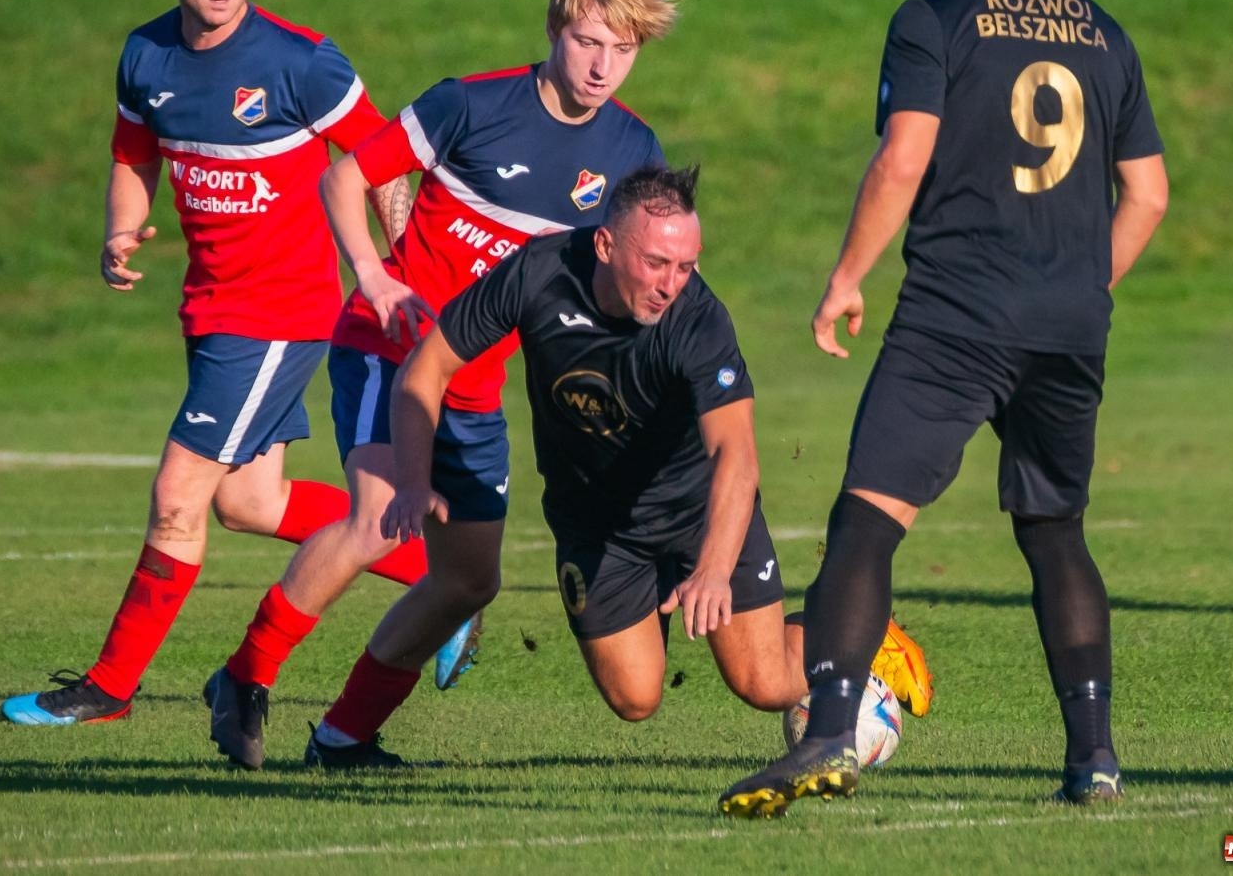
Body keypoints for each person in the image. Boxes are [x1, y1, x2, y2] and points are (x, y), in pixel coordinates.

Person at [718, 0, 1169, 818]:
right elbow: (1149, 194)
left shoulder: (932, 18)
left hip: (957, 315)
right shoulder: (1106, 34)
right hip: (1068, 325)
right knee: (1054, 532)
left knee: (866, 521)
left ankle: (829, 731)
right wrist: (1080, 284)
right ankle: (1094, 757)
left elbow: (903, 156)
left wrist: (846, 276)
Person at [201, 0, 680, 771]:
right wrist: (372, 274)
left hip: (475, 383)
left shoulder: (633, 150)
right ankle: (245, 676)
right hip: (389, 347)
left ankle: (343, 738)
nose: (602, 66)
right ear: (554, 30)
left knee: (469, 580)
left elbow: (624, 282)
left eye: (623, 49)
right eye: (587, 42)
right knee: (380, 521)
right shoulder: (472, 104)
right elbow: (345, 175)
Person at [1, 0, 445, 728]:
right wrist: (120, 230)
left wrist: (400, 271)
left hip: (281, 312)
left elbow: (383, 159)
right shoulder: (146, 57)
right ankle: (439, 581)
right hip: (210, 309)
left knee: (179, 495)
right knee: (249, 503)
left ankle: (109, 687)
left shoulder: (301, 62)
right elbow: (134, 156)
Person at [377, 167, 927, 739]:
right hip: (595, 524)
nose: (671, 284)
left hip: (699, 513)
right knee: (635, 698)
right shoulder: (537, 273)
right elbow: (425, 369)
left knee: (765, 683)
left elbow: (736, 455)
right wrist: (413, 480)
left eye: (686, 266)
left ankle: (857, 634)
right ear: (605, 245)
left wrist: (713, 569)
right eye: (656, 263)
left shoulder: (698, 321)